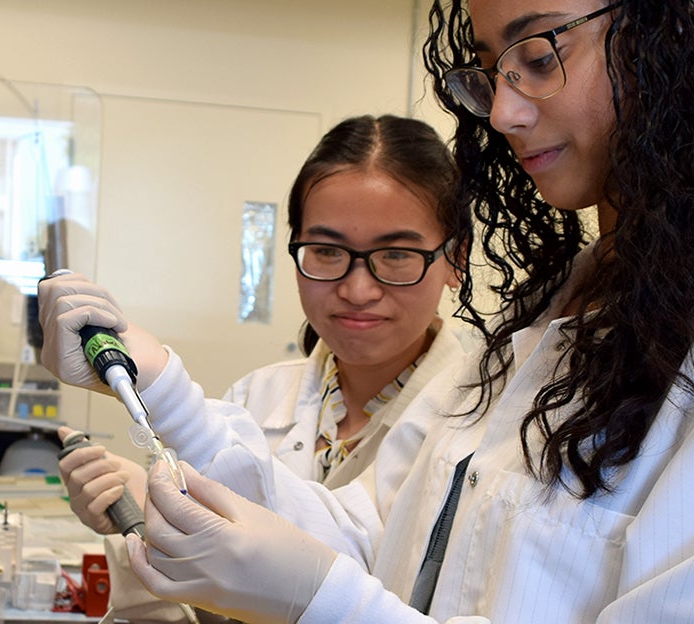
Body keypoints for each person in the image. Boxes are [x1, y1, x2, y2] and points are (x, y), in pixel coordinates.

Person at [40, 1, 694, 622]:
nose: (509, 109)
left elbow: (357, 585)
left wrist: (323, 600)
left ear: (681, 23)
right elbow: (394, 544)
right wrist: (162, 384)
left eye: (539, 50)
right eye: (495, 67)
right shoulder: (560, 324)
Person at [53, 114, 469, 621]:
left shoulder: (481, 428)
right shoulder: (255, 396)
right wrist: (139, 520)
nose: (358, 290)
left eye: (397, 254)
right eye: (326, 251)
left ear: (457, 258)